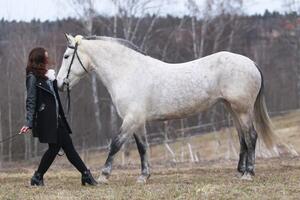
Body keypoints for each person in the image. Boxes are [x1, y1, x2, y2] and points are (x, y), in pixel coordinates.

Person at [20, 47, 97, 186]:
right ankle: (85, 174)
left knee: (59, 148)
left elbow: (56, 94)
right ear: (40, 59)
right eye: (45, 56)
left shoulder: (48, 76)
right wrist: (28, 122)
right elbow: (31, 101)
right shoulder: (32, 77)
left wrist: (57, 80)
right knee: (65, 148)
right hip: (47, 120)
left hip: (57, 118)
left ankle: (38, 177)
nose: (48, 58)